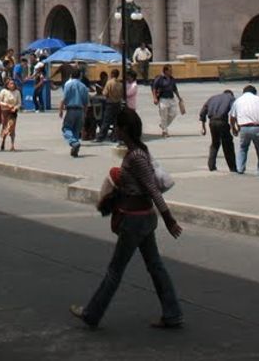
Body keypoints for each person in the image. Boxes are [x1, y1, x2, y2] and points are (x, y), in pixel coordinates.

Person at [70, 108, 183, 330]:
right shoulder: (140, 152)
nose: (116, 131)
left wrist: (169, 218)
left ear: (124, 129)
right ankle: (172, 312)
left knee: (115, 271)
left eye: (118, 128)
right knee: (155, 266)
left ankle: (92, 313)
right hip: (144, 219)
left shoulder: (136, 157)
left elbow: (152, 189)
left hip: (135, 221)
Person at [229, 84, 259, 176]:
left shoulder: (238, 101)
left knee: (243, 148)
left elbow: (232, 117)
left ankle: (240, 168)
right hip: (257, 127)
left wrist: (234, 128)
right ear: (254, 92)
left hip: (243, 128)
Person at [199, 89, 237, 172]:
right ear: (231, 94)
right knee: (228, 145)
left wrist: (203, 127)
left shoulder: (212, 98)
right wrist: (234, 127)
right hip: (222, 121)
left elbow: (203, 112)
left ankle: (211, 165)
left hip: (212, 122)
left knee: (215, 143)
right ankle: (232, 167)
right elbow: (234, 112)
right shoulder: (231, 98)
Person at [59, 66, 90, 157]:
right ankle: (75, 149)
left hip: (71, 109)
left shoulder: (69, 85)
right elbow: (86, 102)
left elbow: (64, 99)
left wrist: (60, 110)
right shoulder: (84, 87)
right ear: (80, 76)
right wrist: (85, 113)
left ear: (71, 75)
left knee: (66, 128)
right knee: (76, 130)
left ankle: (74, 143)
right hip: (80, 111)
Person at [151, 65, 183, 138]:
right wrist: (155, 98)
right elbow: (154, 88)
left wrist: (179, 97)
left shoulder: (172, 79)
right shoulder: (159, 78)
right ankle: (165, 131)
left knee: (174, 113)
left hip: (171, 98)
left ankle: (163, 125)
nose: (171, 72)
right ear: (165, 71)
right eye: (170, 70)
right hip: (163, 99)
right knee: (164, 115)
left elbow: (175, 89)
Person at [97, 69, 124, 142]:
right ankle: (114, 137)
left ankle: (101, 137)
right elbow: (122, 94)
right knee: (116, 122)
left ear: (112, 74)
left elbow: (105, 94)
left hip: (110, 104)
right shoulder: (120, 83)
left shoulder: (109, 83)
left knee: (106, 121)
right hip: (117, 104)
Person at [0, 78, 21, 151]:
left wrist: (16, 107)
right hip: (5, 111)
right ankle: (3, 141)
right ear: (7, 85)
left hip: (13, 112)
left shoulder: (17, 92)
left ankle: (12, 145)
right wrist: (7, 105)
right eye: (10, 83)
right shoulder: (3, 91)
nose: (12, 85)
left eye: (13, 83)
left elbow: (19, 103)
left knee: (12, 128)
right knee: (5, 127)